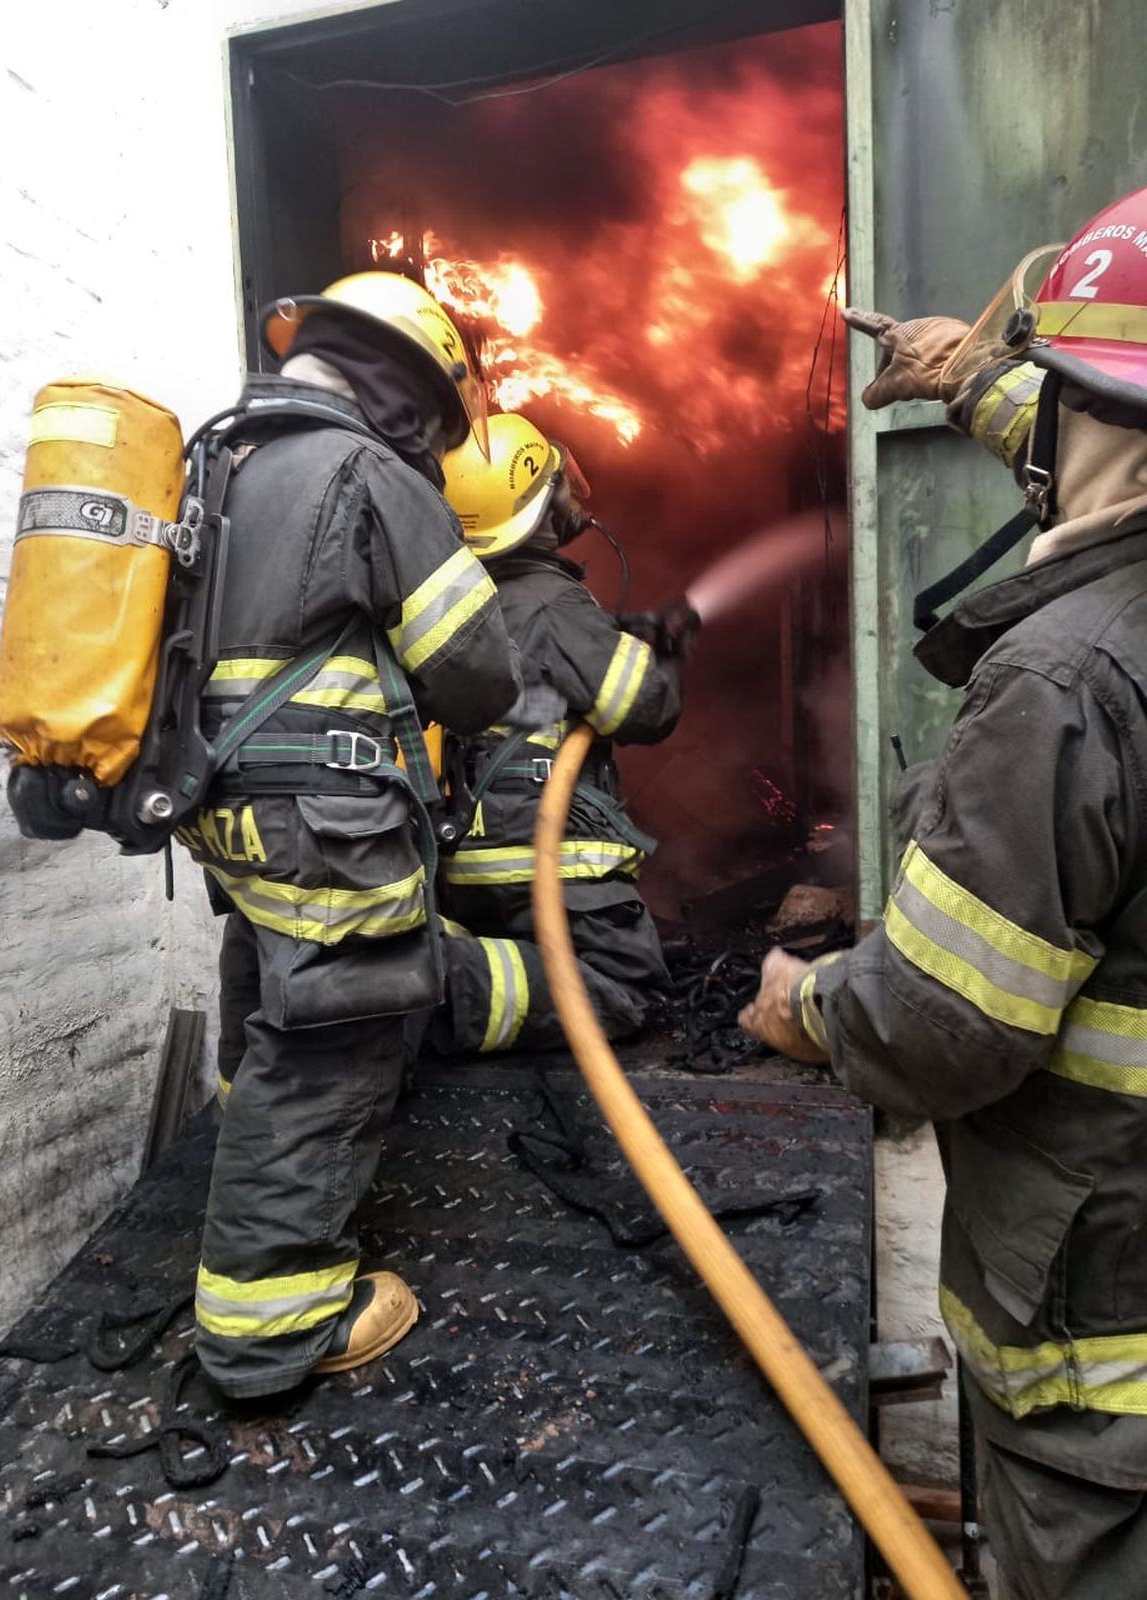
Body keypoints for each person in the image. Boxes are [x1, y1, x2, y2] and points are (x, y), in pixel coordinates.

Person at [740, 186, 1147, 1600]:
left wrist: (810, 1005)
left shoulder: (1066, 680)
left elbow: (943, 1024)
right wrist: (965, 370)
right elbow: (1095, 440)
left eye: (1049, 382)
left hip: (1110, 1377)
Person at [177, 271, 521, 1398]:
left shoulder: (217, 465)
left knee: (265, 983)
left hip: (225, 810)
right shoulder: (364, 470)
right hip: (328, 817)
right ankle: (271, 1322)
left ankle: (245, 1184)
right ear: (409, 393)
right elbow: (478, 677)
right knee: (336, 1029)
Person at [426, 411, 692, 1056]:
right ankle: (429, 986)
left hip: (469, 861)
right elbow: (646, 708)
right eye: (557, 481)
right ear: (538, 502)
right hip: (547, 857)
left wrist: (620, 631)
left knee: (528, 962)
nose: (572, 492)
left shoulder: (466, 600)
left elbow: (535, 687)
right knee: (624, 986)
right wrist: (664, 656)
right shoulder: (550, 602)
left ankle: (449, 961)